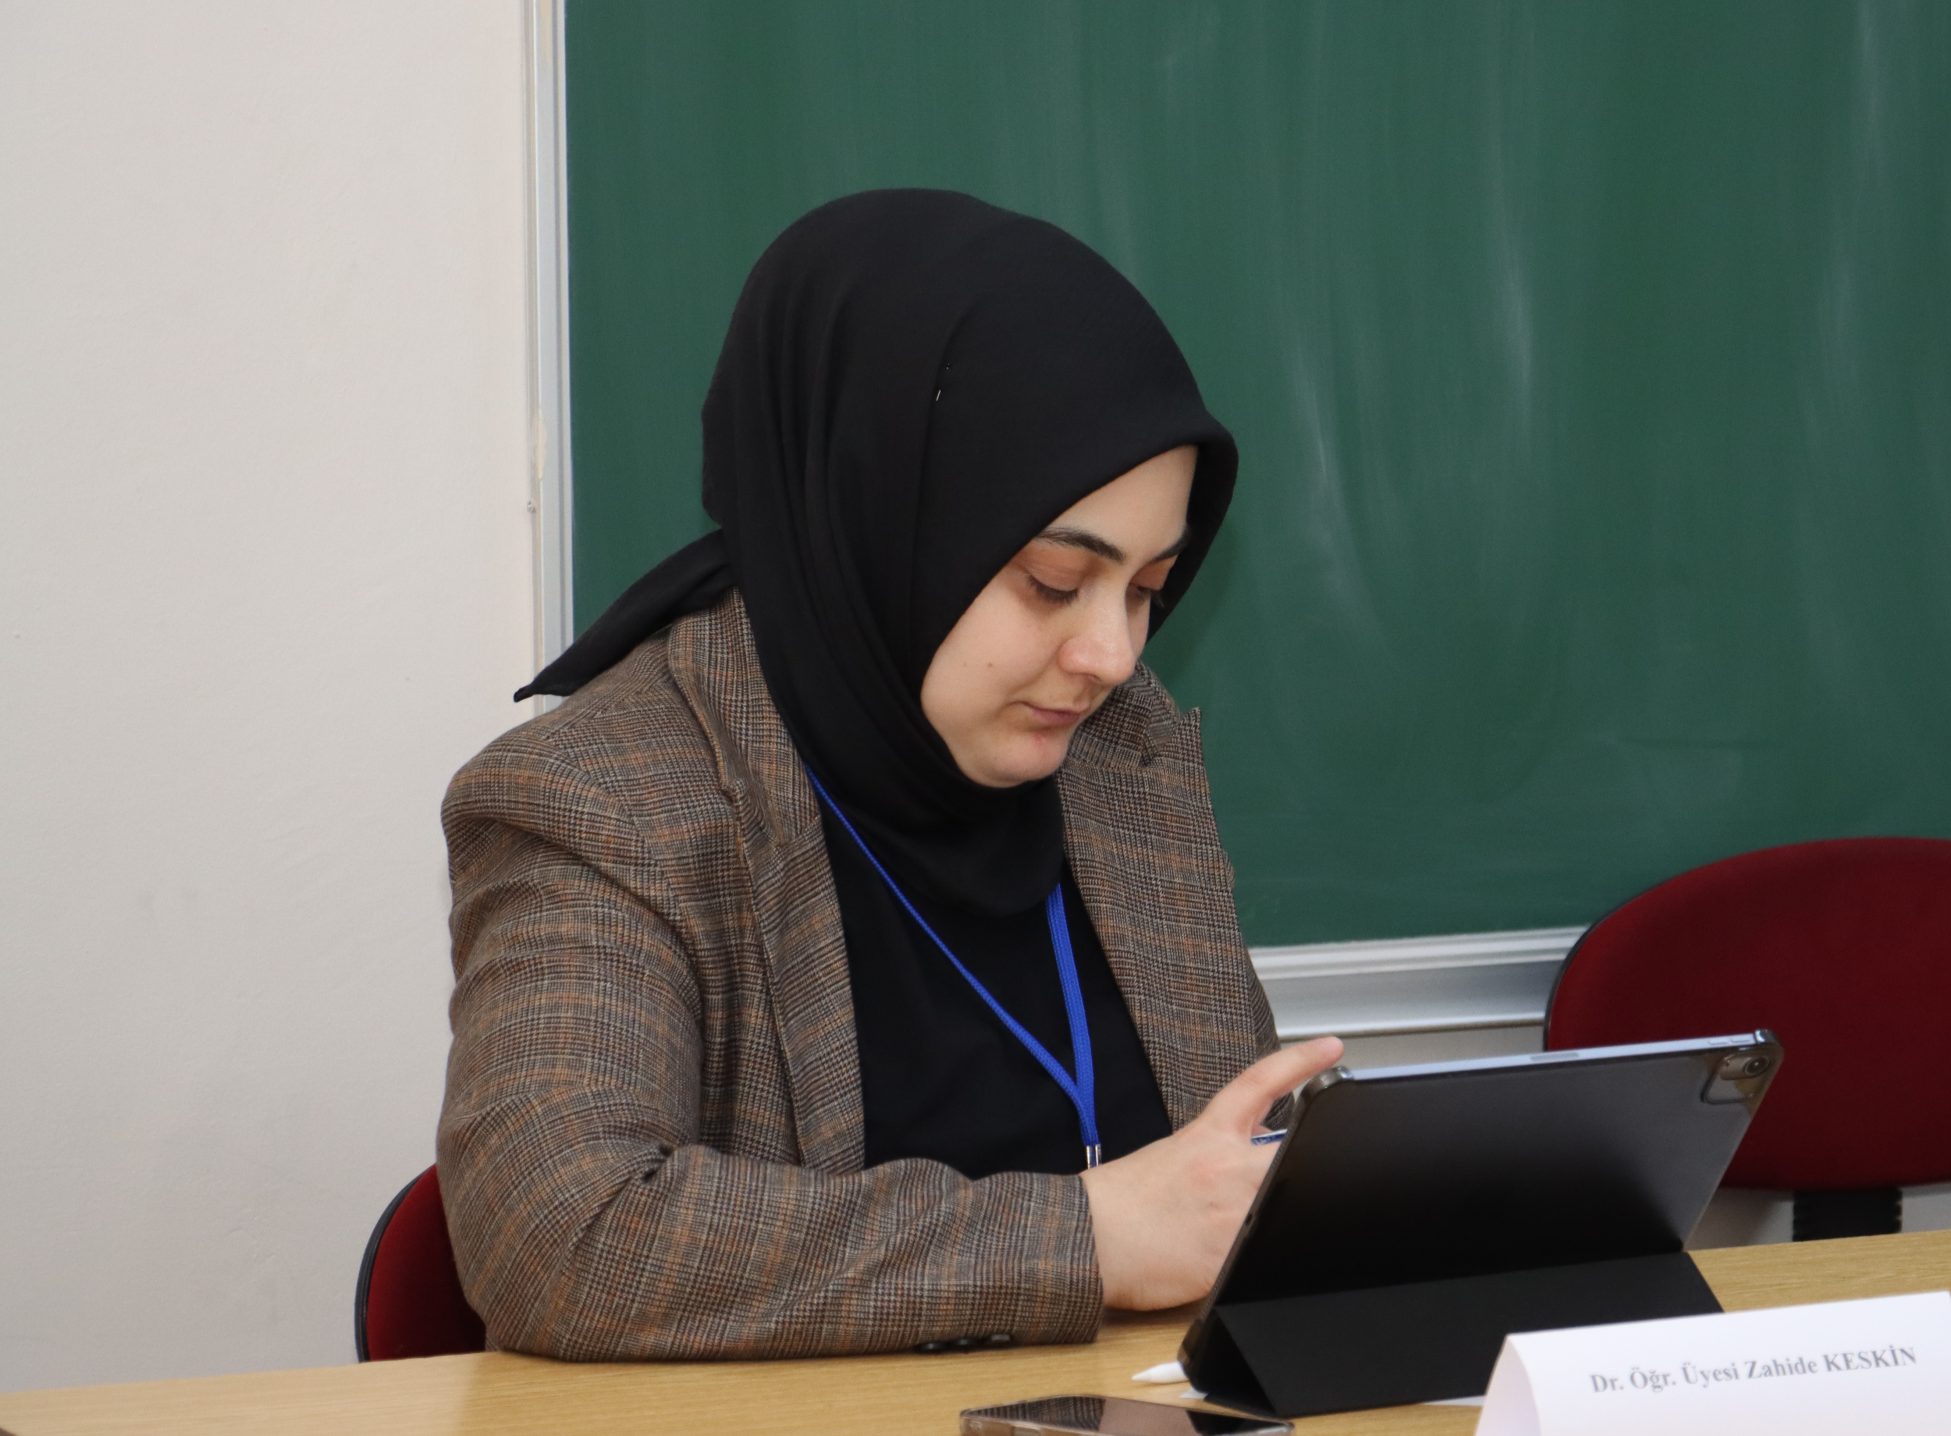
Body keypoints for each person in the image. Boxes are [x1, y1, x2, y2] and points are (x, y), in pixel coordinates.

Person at [436, 189, 1342, 1360]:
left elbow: (1229, 1172)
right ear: (882, 516)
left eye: (1147, 589)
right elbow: (565, 1235)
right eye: (1054, 582)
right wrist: (1085, 1236)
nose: (1111, 656)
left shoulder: (1123, 756)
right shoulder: (605, 794)